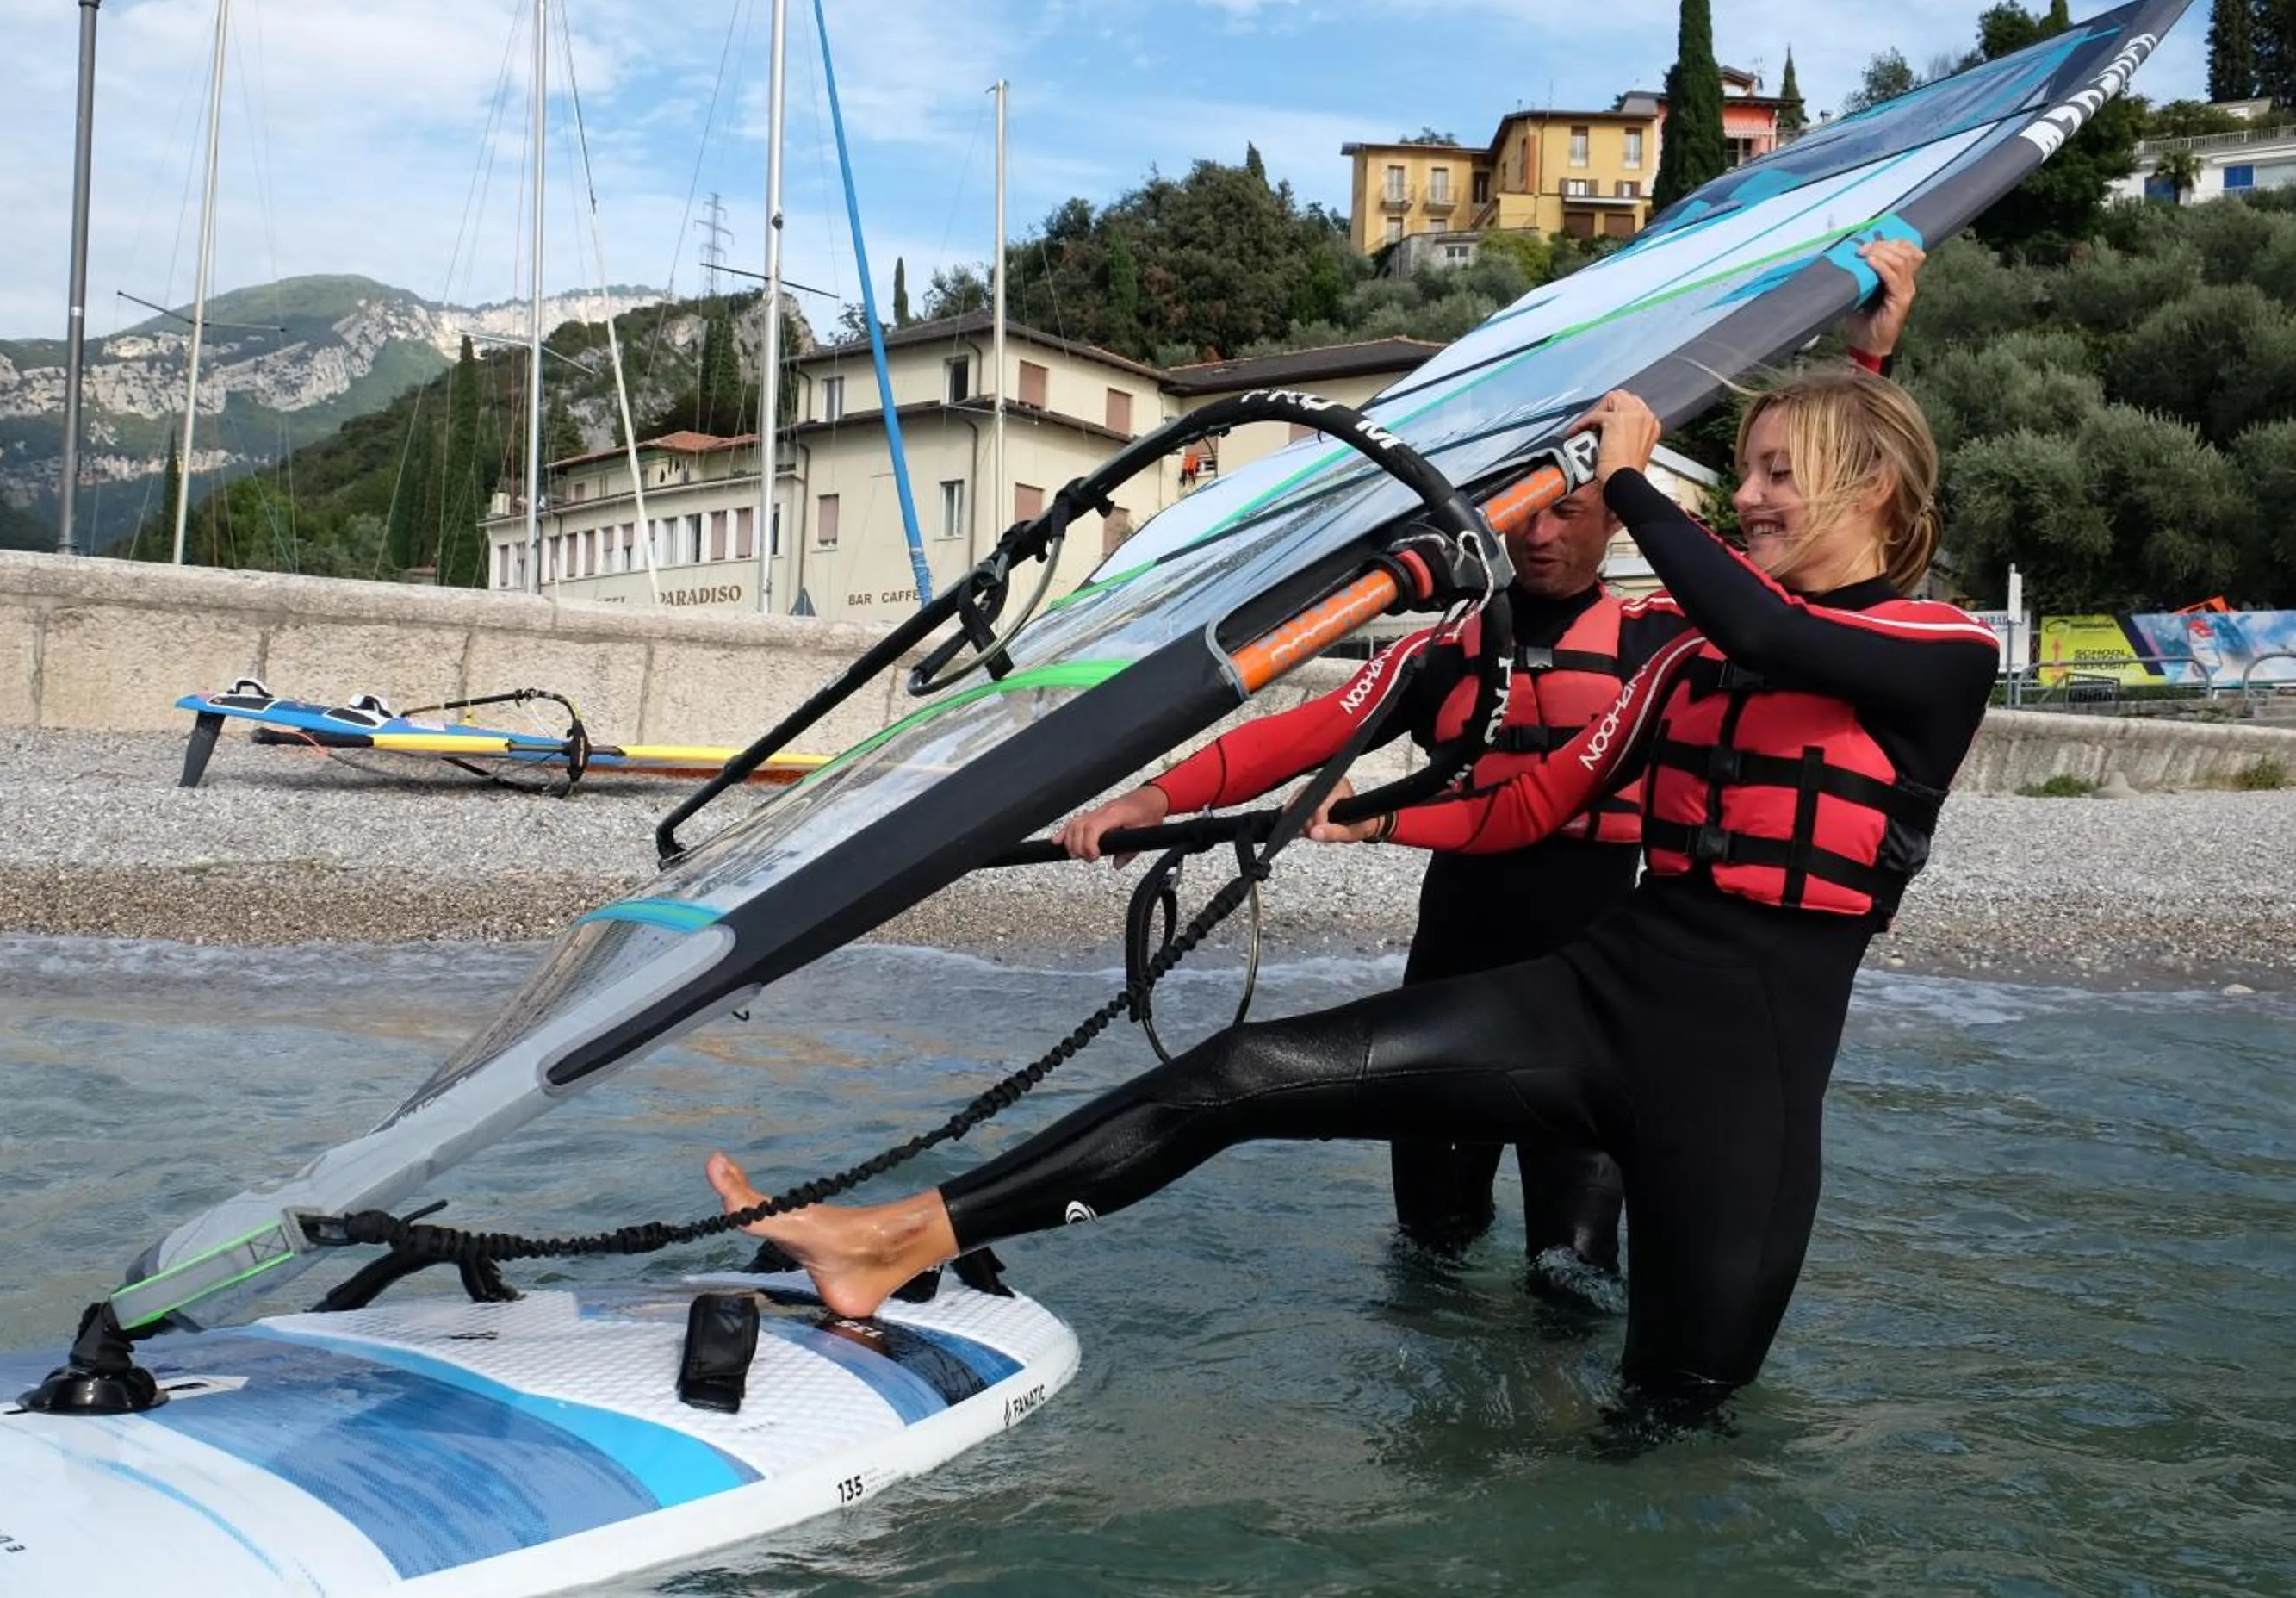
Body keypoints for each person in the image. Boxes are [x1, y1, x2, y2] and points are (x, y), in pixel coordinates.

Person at [708, 354, 1996, 1407]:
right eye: (1750, 472)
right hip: (1593, 998)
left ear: (1871, 483)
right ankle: (896, 1238)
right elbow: (1545, 800)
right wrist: (1365, 821)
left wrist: (1635, 479)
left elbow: (1774, 628)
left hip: (1742, 1089)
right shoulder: (1678, 669)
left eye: (1779, 474)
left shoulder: (1941, 654)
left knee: (1669, 1424)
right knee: (1241, 1073)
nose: (1751, 498)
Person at [1052, 239, 1926, 1287]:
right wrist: (1152, 794)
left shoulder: (1669, 637)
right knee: (1431, 1262)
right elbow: (1301, 732)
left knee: (1571, 1273)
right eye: (1528, 512)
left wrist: (1868, 365)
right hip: (1457, 974)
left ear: (1614, 511)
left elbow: (1822, 555)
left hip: (1600, 994)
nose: (1546, 533)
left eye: (1571, 507)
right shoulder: (1447, 646)